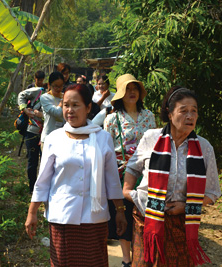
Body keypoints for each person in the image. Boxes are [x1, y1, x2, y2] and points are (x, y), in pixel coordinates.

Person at [25, 83, 127, 266]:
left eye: (75, 105)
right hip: (62, 217)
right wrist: (32, 212)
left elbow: (112, 180)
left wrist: (120, 211)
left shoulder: (103, 138)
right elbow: (43, 181)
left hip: (95, 219)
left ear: (88, 108)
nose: (70, 110)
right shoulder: (54, 138)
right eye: (66, 105)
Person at [123, 86, 222, 267]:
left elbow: (213, 192)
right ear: (169, 113)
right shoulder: (151, 138)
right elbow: (132, 167)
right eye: (183, 111)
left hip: (181, 223)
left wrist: (187, 206)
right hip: (147, 219)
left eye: (194, 111)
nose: (190, 116)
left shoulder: (204, 148)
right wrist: (128, 192)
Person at [104, 74, 156, 267]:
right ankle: (127, 259)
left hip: (145, 174)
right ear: (120, 94)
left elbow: (155, 145)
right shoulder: (111, 119)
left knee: (143, 213)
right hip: (121, 174)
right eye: (127, 89)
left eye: (135, 88)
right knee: (123, 214)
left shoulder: (149, 116)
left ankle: (141, 254)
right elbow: (108, 150)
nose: (132, 92)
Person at [17, 86, 44, 193]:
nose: (57, 88)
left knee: (45, 163)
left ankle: (42, 188)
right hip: (32, 131)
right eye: (55, 85)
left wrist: (42, 115)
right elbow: (21, 95)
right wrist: (25, 109)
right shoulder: (39, 92)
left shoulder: (61, 96)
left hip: (47, 135)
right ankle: (32, 189)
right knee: (32, 161)